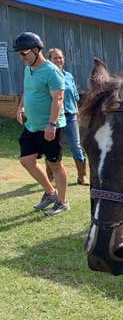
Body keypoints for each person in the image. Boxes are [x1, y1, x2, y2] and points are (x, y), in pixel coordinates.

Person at [14, 32, 70, 216]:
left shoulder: (52, 71)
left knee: (55, 164)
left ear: (37, 50)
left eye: (24, 53)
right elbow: (27, 90)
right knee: (26, 161)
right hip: (32, 125)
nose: (22, 57)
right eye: (19, 54)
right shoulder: (28, 69)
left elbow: (58, 99)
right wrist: (20, 108)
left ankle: (63, 202)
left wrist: (52, 124)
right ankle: (50, 193)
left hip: (50, 126)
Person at [45, 48, 89, 186]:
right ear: (49, 60)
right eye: (55, 58)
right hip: (54, 118)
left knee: (76, 145)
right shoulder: (47, 76)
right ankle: (50, 176)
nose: (58, 60)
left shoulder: (69, 76)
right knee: (52, 146)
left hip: (70, 117)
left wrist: (77, 112)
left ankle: (82, 176)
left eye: (60, 57)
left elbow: (74, 96)